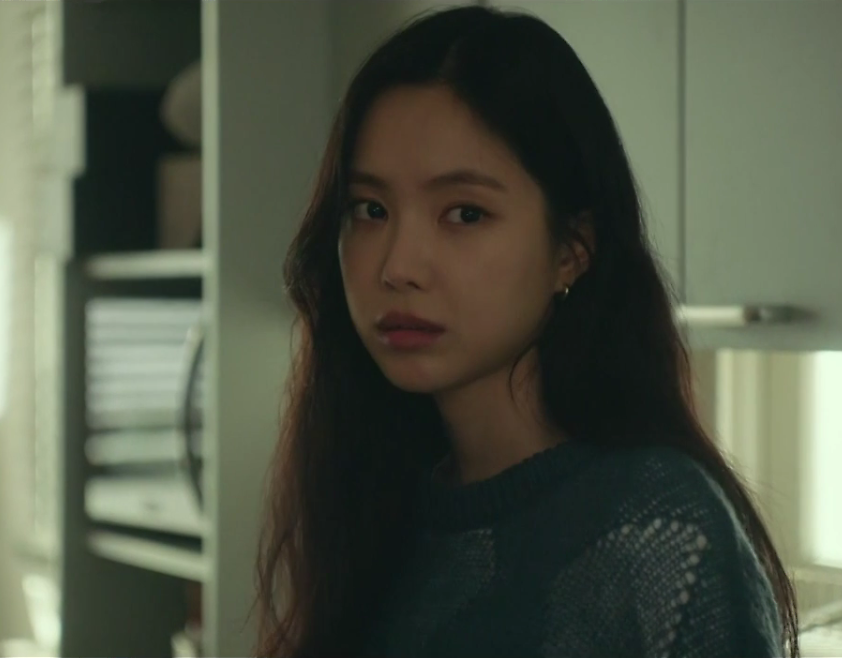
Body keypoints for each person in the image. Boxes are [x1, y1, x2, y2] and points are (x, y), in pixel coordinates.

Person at [253, 5, 799, 657]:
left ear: (571, 250)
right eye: (370, 210)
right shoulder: (371, 510)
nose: (397, 266)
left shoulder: (657, 530)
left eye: (464, 213)